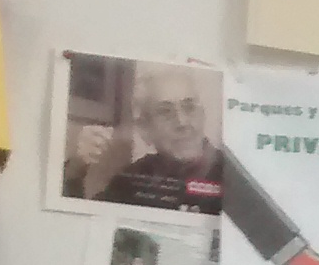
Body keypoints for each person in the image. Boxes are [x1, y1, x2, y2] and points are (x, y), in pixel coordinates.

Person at [94, 65, 226, 215]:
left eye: (189, 107)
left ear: (202, 115)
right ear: (145, 129)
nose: (182, 122)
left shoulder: (231, 174)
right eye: (165, 112)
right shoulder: (132, 179)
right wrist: (79, 167)